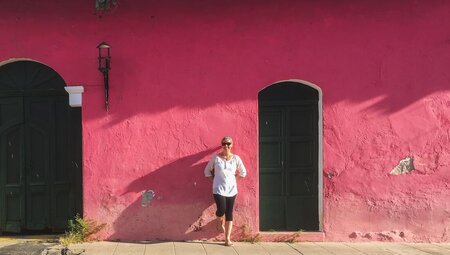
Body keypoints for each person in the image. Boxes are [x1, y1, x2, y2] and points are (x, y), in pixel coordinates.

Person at [204, 136, 247, 246]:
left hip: (232, 190)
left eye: (228, 144)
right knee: (221, 209)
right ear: (222, 145)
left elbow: (243, 173)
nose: (226, 146)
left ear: (231, 145)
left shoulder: (236, 158)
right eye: (224, 144)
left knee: (229, 213)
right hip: (218, 189)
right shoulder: (216, 158)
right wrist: (214, 181)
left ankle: (227, 239)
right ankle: (219, 220)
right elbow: (207, 171)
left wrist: (234, 181)